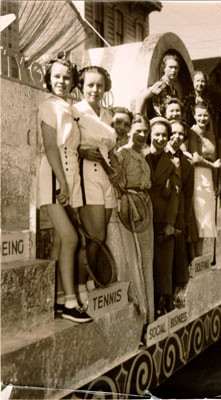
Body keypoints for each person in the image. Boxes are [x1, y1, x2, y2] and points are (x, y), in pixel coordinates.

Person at [38, 53, 92, 323]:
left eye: (66, 77)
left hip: (69, 177)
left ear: (73, 81)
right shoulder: (49, 105)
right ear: (48, 79)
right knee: (71, 238)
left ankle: (57, 298)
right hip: (55, 176)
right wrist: (62, 181)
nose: (61, 81)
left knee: (61, 240)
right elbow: (50, 146)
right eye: (56, 76)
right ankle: (71, 302)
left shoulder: (67, 106)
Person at [73, 66, 119, 305]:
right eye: (90, 84)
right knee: (95, 236)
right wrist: (80, 150)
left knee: (102, 235)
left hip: (106, 176)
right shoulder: (75, 111)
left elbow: (111, 147)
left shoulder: (108, 114)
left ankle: (92, 282)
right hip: (87, 174)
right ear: (81, 86)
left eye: (100, 85)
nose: (95, 89)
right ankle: (81, 284)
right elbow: (66, 145)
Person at [117, 114, 154, 323]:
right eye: (138, 130)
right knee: (135, 260)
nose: (141, 135)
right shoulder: (123, 153)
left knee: (147, 260)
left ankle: (149, 317)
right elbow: (119, 183)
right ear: (130, 130)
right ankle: (139, 315)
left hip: (145, 207)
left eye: (144, 132)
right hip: (131, 209)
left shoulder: (143, 154)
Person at [146, 117, 181, 317]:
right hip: (142, 218)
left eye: (164, 135)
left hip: (162, 219)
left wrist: (170, 224)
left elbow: (175, 196)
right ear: (150, 134)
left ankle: (162, 307)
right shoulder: (140, 155)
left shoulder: (173, 162)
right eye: (157, 134)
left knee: (163, 266)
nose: (160, 138)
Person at [165, 120, 194, 307]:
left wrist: (183, 221)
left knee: (178, 258)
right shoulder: (155, 152)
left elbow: (187, 193)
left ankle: (174, 301)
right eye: (173, 132)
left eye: (181, 134)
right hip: (158, 214)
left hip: (178, 215)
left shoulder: (186, 160)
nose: (176, 136)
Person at [188, 102, 221, 257]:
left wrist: (217, 182)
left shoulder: (211, 136)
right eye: (199, 115)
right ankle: (194, 258)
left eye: (205, 115)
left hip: (209, 179)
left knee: (206, 221)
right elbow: (195, 158)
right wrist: (212, 165)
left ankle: (201, 258)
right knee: (198, 219)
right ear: (194, 116)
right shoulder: (192, 133)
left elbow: (217, 161)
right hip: (196, 176)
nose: (202, 118)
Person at [136, 53, 180, 118]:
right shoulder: (161, 84)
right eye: (170, 67)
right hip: (159, 122)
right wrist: (138, 117)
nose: (173, 70)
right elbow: (141, 97)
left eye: (176, 68)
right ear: (164, 68)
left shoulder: (173, 89)